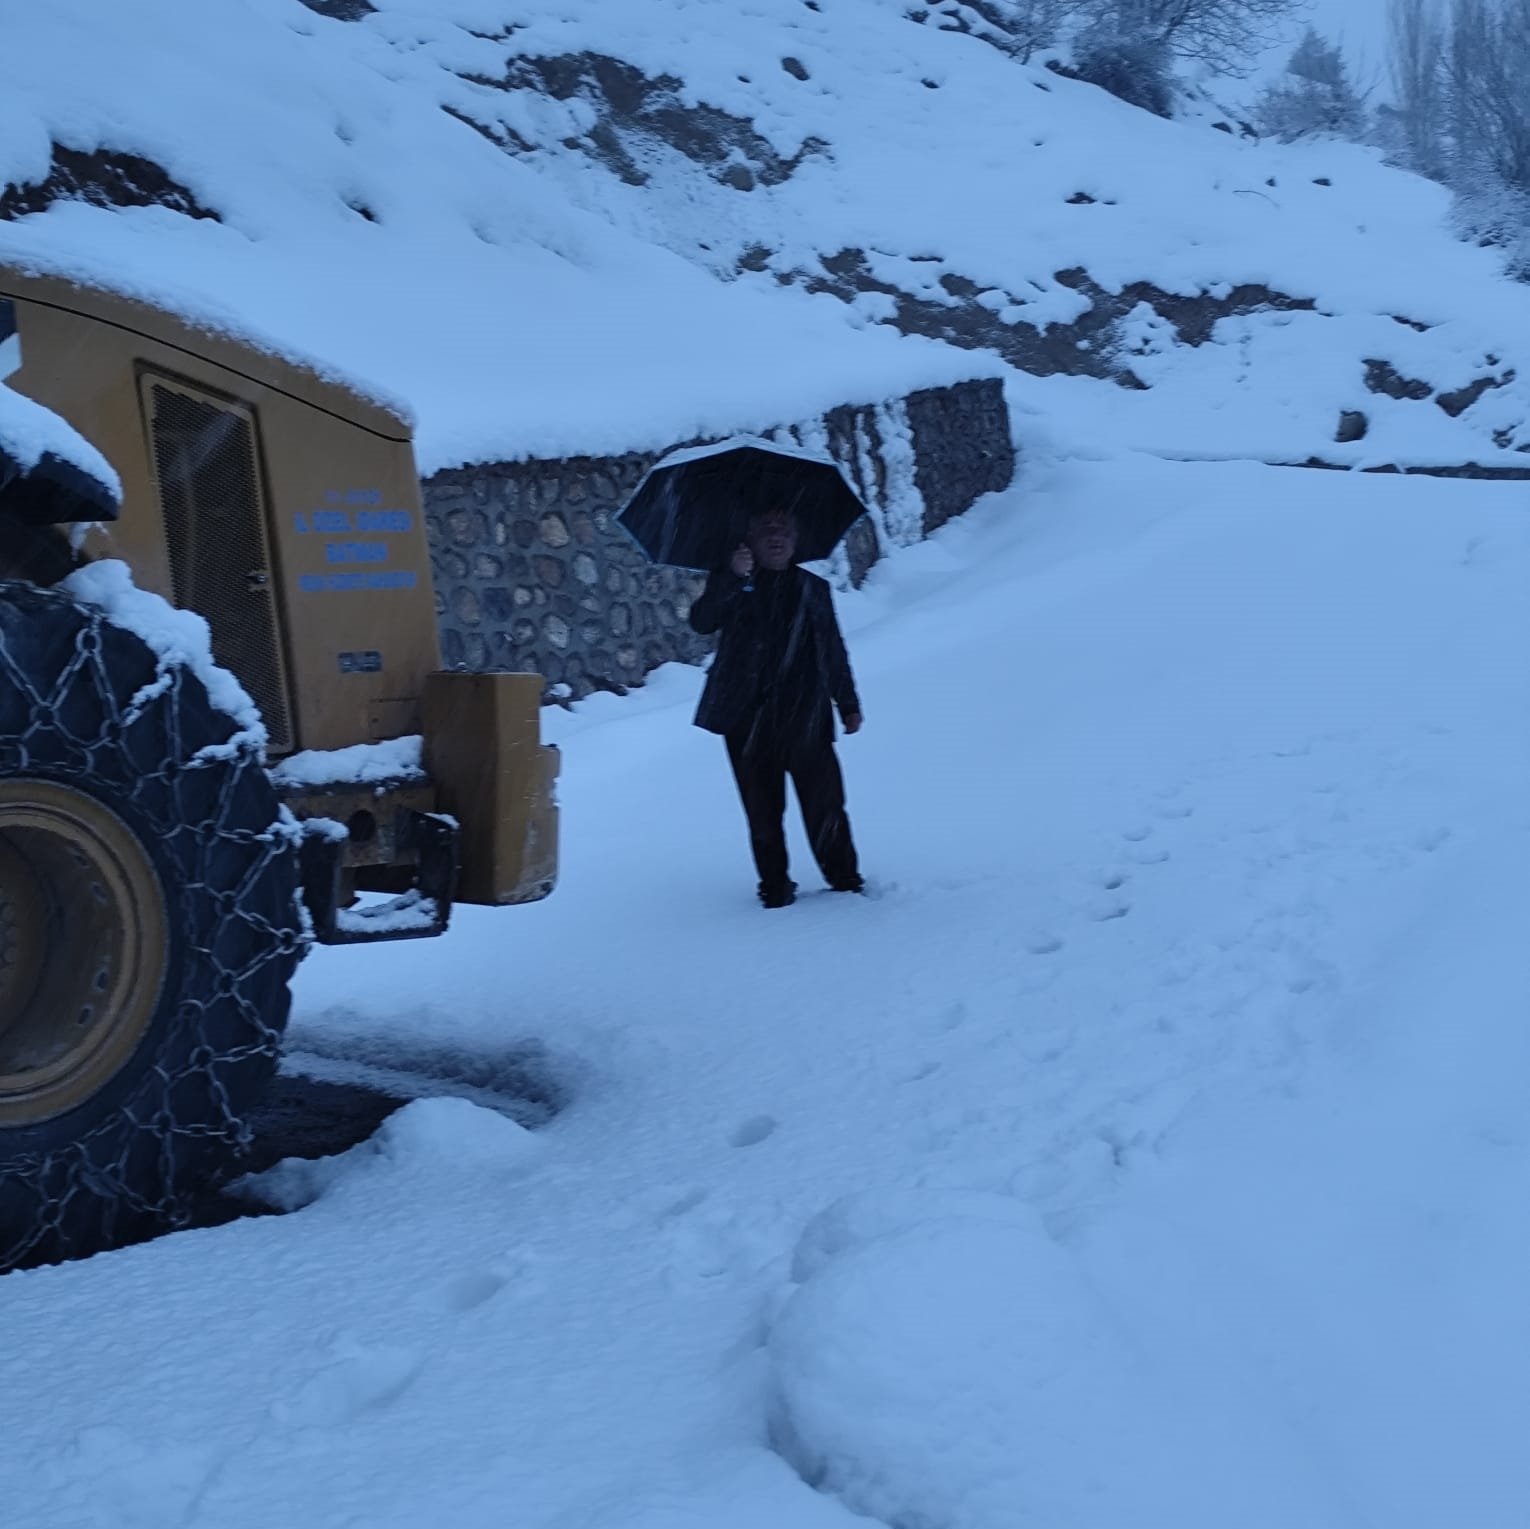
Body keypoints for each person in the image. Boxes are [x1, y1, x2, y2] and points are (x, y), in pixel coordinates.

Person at [688, 505, 865, 908]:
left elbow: (833, 650)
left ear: (795, 541)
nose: (775, 536)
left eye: (783, 529)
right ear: (749, 541)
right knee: (763, 811)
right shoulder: (733, 582)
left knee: (827, 806)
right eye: (766, 529)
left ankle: (845, 880)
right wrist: (732, 578)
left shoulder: (812, 589)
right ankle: (774, 888)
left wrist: (848, 702)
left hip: (806, 714)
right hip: (747, 719)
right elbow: (701, 622)